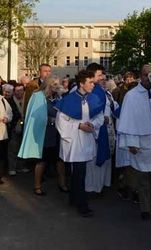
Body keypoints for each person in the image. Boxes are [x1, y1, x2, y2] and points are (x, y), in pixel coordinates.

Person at [117, 64, 151, 220]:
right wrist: (131, 142)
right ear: (140, 76)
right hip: (140, 142)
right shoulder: (132, 95)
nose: (148, 78)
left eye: (150, 75)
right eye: (145, 75)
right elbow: (128, 119)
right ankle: (144, 208)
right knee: (142, 178)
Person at [55, 70, 104, 217]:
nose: (93, 86)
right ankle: (82, 203)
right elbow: (60, 121)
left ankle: (75, 198)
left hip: (87, 138)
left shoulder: (94, 98)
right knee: (78, 170)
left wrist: (93, 124)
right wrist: (78, 126)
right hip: (74, 140)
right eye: (90, 83)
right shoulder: (68, 99)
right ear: (82, 83)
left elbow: (99, 117)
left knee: (79, 171)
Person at [18, 75, 67, 195]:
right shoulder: (38, 96)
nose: (57, 86)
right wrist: (50, 120)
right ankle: (37, 186)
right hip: (43, 134)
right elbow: (35, 116)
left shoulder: (57, 97)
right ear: (48, 84)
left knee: (59, 159)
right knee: (42, 160)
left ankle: (62, 183)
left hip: (57, 133)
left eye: (58, 84)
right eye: (54, 84)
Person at [84, 64, 112, 194]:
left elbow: (106, 105)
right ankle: (91, 187)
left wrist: (106, 115)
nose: (102, 78)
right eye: (99, 75)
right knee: (91, 161)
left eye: (102, 75)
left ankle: (98, 185)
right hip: (90, 130)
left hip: (100, 127)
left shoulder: (100, 90)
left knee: (99, 159)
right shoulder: (87, 90)